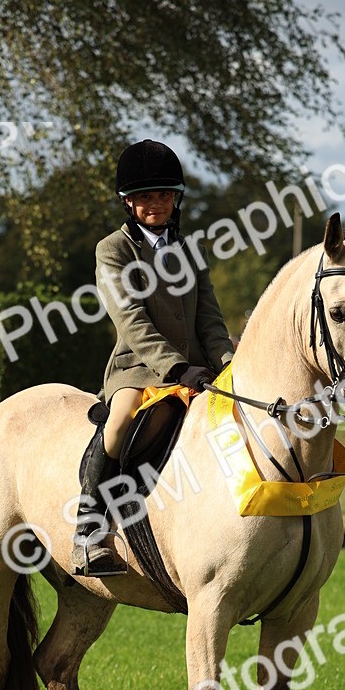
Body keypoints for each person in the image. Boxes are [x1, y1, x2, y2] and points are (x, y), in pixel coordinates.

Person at [72, 139, 235, 576]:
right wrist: (177, 368)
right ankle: (89, 526)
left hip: (199, 370)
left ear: (175, 198)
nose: (156, 204)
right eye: (146, 197)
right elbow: (131, 320)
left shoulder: (190, 250)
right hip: (139, 368)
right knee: (122, 418)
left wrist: (228, 363)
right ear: (129, 202)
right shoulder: (113, 250)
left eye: (164, 195)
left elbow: (210, 317)